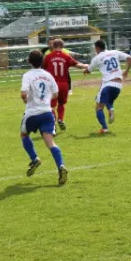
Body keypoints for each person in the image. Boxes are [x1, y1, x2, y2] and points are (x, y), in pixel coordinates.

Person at [20, 50, 68, 185]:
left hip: (32, 113)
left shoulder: (28, 75)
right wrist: (46, 99)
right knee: (50, 143)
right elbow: (56, 94)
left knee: (24, 135)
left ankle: (35, 158)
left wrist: (27, 100)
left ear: (29, 61)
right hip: (47, 112)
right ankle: (61, 166)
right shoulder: (48, 75)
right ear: (42, 62)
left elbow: (23, 94)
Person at [83, 40, 131, 134]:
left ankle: (104, 128)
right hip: (118, 84)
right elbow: (129, 58)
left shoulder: (97, 58)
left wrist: (84, 71)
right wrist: (126, 71)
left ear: (97, 48)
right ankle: (111, 109)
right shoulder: (114, 52)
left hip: (107, 84)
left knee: (98, 107)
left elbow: (88, 70)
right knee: (109, 101)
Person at [42, 39, 88, 131]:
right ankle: (61, 119)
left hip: (52, 84)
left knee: (52, 106)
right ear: (62, 47)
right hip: (64, 84)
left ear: (53, 46)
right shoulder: (66, 56)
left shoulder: (48, 56)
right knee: (62, 103)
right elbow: (77, 65)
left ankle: (53, 124)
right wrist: (87, 66)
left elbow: (43, 69)